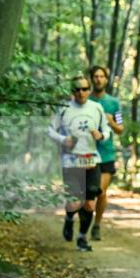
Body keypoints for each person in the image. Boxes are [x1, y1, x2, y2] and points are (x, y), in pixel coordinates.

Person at [46, 76, 111, 252]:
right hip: (71, 161)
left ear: (89, 90)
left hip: (92, 160)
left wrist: (101, 135)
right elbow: (50, 130)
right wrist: (63, 139)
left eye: (84, 89)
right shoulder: (64, 109)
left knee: (90, 204)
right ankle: (68, 219)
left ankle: (82, 237)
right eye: (77, 89)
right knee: (74, 203)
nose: (80, 93)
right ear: (72, 91)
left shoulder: (97, 108)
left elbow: (107, 130)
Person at [87, 66, 124, 240]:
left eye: (102, 76)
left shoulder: (114, 103)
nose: (99, 79)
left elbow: (120, 129)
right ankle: (84, 223)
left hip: (106, 154)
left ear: (106, 80)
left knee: (100, 191)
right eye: (95, 76)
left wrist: (110, 121)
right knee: (86, 193)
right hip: (85, 153)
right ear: (91, 79)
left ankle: (97, 225)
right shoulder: (84, 100)